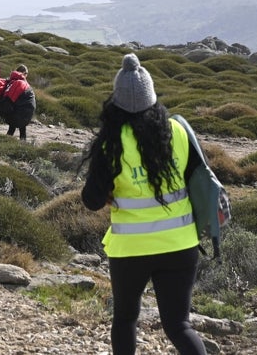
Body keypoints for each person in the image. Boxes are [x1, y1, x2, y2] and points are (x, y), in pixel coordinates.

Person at [80, 53, 207, 355]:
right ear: (152, 96)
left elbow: (92, 200)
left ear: (117, 101)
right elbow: (197, 183)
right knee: (179, 326)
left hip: (131, 249)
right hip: (180, 245)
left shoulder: (112, 143)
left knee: (125, 319)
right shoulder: (177, 131)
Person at [0, 64, 36, 141]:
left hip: (14, 110)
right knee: (20, 128)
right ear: (23, 73)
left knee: (13, 128)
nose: (27, 75)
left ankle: (6, 142)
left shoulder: (11, 81)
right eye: (26, 74)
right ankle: (20, 143)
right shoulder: (20, 82)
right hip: (19, 110)